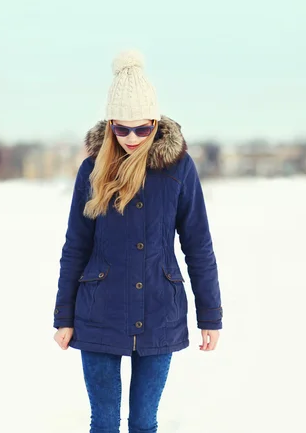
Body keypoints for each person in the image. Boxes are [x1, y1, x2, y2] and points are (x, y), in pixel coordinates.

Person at [52, 50, 223, 433]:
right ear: (110, 124)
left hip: (160, 312)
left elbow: (198, 245)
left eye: (142, 129)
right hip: (98, 312)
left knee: (145, 423)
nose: (131, 138)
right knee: (105, 422)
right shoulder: (92, 170)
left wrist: (210, 316)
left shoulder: (179, 169)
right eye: (122, 129)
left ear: (155, 123)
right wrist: (64, 315)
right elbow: (75, 246)